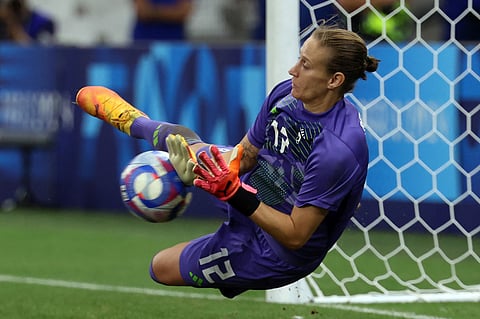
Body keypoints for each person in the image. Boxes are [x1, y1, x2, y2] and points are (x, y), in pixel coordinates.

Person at [75, 25, 379, 298]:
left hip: (276, 252)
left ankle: (237, 272)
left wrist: (232, 192)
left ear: (334, 80)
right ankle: (136, 123)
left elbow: (296, 235)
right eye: (299, 58)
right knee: (188, 144)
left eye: (305, 65)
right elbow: (245, 155)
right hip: (253, 192)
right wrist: (199, 171)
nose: (292, 70)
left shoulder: (337, 148)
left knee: (160, 268)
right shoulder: (286, 95)